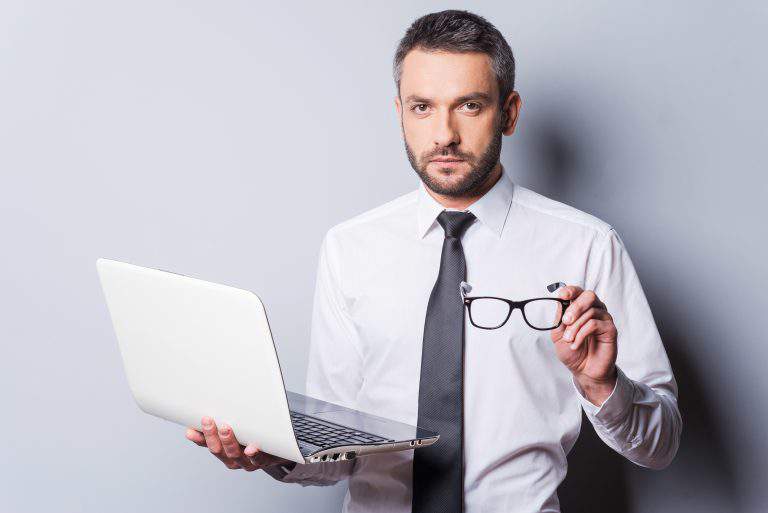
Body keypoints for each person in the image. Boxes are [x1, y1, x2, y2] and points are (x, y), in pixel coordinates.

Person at [184, 9, 682, 513]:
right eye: (422, 107)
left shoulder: (587, 245)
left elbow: (660, 445)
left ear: (509, 113)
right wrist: (273, 451)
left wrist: (601, 385)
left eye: (468, 105)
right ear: (399, 112)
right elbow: (337, 454)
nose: (443, 134)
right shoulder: (350, 247)